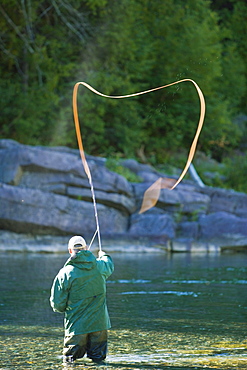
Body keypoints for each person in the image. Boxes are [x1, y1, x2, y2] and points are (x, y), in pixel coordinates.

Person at [50, 235, 114, 365]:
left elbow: (57, 305)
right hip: (100, 326)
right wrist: (104, 255)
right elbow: (109, 265)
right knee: (99, 362)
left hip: (76, 329)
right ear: (86, 248)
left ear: (70, 251)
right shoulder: (100, 266)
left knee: (69, 363)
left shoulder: (65, 273)